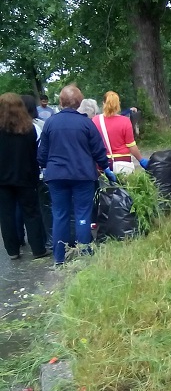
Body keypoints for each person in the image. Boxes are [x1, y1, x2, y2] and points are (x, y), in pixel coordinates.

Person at [38, 85, 115, 266]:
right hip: (82, 175)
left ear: (61, 101)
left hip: (56, 176)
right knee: (82, 214)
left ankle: (59, 257)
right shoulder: (86, 123)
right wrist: (107, 169)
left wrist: (47, 166)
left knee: (60, 215)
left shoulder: (50, 123)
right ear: (80, 102)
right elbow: (98, 151)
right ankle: (85, 254)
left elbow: (41, 155)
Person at [0, 93, 49, 260]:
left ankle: (13, 250)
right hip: (26, 176)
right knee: (32, 212)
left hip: (2, 179)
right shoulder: (28, 129)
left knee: (6, 215)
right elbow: (35, 153)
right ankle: (38, 248)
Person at [92, 91, 149, 175]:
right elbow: (131, 145)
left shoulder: (95, 120)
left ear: (103, 103)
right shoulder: (125, 121)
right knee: (124, 188)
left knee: (104, 187)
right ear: (118, 104)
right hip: (123, 163)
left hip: (102, 164)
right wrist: (141, 160)